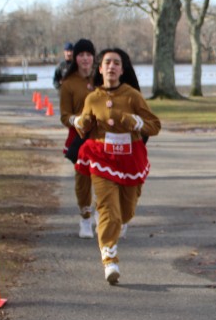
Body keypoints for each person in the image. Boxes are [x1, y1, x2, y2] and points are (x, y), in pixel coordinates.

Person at [73, 48, 161, 284]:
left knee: (126, 212)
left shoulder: (132, 96)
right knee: (109, 211)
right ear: (100, 69)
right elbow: (82, 128)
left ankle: (113, 222)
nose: (111, 66)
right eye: (107, 63)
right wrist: (82, 123)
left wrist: (136, 122)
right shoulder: (93, 98)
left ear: (122, 70)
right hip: (102, 158)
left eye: (116, 63)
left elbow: (154, 126)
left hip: (130, 159)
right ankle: (109, 259)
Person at [59, 38, 98, 238]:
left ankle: (103, 213)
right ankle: (85, 218)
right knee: (83, 179)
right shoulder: (68, 84)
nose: (85, 58)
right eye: (81, 54)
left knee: (105, 178)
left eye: (88, 54)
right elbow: (64, 116)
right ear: (75, 58)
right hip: (80, 138)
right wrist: (77, 120)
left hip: (102, 137)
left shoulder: (101, 79)